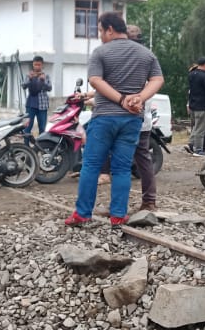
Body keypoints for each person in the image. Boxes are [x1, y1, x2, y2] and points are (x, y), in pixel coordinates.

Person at [65, 12, 163, 227]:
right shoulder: (146, 54)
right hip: (132, 119)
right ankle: (118, 215)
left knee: (91, 165)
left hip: (105, 118)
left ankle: (82, 214)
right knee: (122, 168)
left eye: (101, 31)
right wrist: (139, 98)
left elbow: (95, 80)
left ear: (110, 29)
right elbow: (157, 79)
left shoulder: (101, 52)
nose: (100, 35)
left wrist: (120, 100)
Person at [126, 24, 158, 212]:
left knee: (132, 160)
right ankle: (149, 201)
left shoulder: (141, 58)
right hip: (136, 117)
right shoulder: (147, 56)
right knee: (142, 160)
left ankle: (148, 201)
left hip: (135, 117)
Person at [20, 55, 52, 145]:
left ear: (42, 65)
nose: (37, 67)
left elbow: (49, 88)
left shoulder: (46, 76)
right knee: (27, 127)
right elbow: (23, 86)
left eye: (39, 65)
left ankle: (41, 147)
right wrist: (29, 79)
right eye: (35, 65)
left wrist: (43, 81)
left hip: (42, 105)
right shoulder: (29, 75)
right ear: (33, 65)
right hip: (30, 105)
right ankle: (26, 147)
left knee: (42, 128)